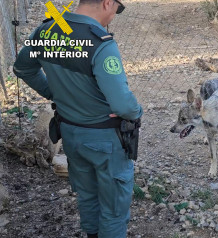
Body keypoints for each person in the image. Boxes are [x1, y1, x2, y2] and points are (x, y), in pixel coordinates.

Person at [13, 0, 142, 237]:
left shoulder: (46, 31)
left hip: (70, 134)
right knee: (113, 210)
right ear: (106, 3)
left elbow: (22, 68)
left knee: (88, 197)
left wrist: (55, 92)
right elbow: (123, 105)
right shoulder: (102, 44)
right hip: (105, 140)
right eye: (117, 9)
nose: (115, 15)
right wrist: (136, 112)